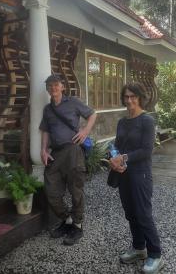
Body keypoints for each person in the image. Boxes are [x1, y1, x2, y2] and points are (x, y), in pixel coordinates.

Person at [109, 82, 163, 274]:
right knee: (130, 213)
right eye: (126, 96)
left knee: (143, 213)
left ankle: (155, 254)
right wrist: (113, 157)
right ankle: (139, 248)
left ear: (140, 98)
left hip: (141, 174)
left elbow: (146, 150)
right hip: (123, 174)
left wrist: (124, 158)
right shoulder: (122, 122)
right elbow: (116, 145)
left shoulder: (146, 121)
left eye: (133, 96)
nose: (129, 100)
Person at [39, 74, 97, 246]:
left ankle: (77, 226)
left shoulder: (73, 102)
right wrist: (43, 149)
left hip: (73, 151)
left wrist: (85, 131)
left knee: (75, 189)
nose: (53, 88)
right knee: (51, 190)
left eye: (56, 85)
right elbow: (46, 131)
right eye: (49, 85)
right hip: (55, 153)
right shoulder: (47, 110)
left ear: (62, 87)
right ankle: (68, 219)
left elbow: (93, 114)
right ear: (47, 89)